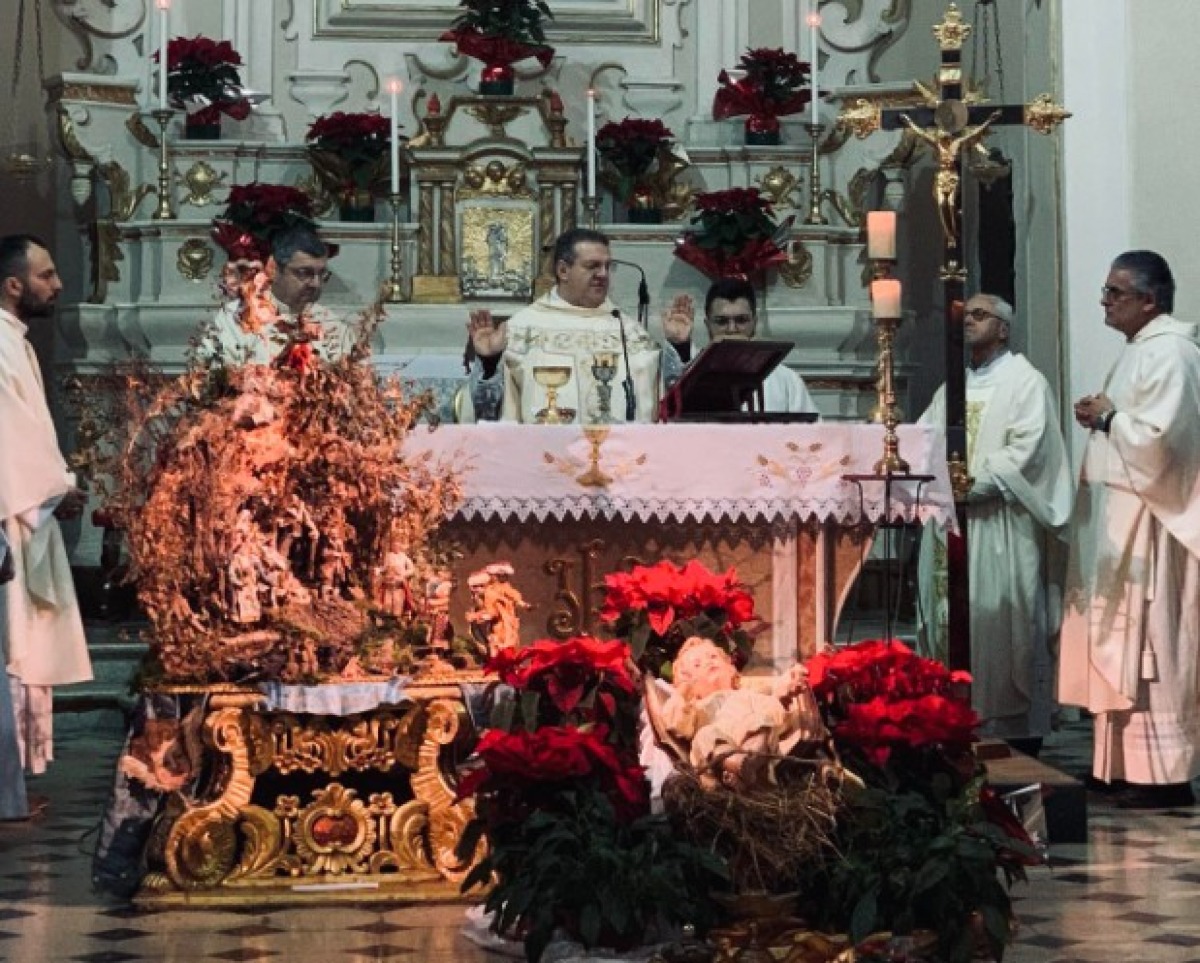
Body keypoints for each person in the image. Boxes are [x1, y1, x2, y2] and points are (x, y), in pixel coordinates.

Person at [1058, 250, 1200, 809]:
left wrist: (1111, 418)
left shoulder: (1173, 352)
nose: (1104, 302)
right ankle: (1115, 764)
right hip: (1123, 516)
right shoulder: (1142, 349)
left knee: (1150, 643)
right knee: (1118, 640)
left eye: (1115, 293)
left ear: (1150, 300)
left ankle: (1162, 774)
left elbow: (1164, 438)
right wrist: (1104, 415)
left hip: (1154, 520)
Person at [916, 293, 1073, 755]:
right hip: (952, 527)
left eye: (980, 315)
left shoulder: (1026, 382)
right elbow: (926, 439)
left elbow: (1031, 450)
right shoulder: (952, 387)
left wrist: (974, 485)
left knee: (1004, 626)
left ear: (1004, 328)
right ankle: (953, 727)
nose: (969, 322)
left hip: (1000, 526)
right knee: (950, 624)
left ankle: (1013, 738)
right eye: (966, 315)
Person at [0, 234, 94, 821]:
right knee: (16, 645)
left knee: (25, 644)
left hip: (23, 502)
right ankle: (6, 794)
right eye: (46, 275)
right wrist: (52, 488)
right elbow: (9, 435)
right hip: (13, 511)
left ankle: (13, 788)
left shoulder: (14, 341)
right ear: (13, 284)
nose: (56, 286)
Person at [464, 227, 691, 423]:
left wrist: (679, 347)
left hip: (621, 463)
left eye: (607, 266)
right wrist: (489, 362)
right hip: (543, 460)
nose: (603, 274)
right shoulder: (522, 329)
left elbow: (673, 407)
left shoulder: (628, 331)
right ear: (563, 271)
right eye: (592, 266)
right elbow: (486, 415)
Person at [200, 227, 361, 367]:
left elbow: (355, 385)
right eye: (305, 273)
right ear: (273, 269)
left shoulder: (332, 325)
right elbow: (216, 383)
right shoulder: (235, 319)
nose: (316, 284)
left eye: (322, 274)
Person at [662, 276, 818, 414]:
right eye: (721, 321)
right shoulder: (692, 374)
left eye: (741, 320)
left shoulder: (785, 379)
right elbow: (671, 408)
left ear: (755, 323)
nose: (732, 329)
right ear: (708, 325)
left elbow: (810, 436)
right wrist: (680, 345)